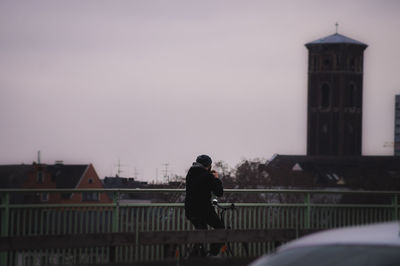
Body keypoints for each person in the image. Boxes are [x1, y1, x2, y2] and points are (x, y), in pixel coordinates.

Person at [184, 154, 224, 256]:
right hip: (204, 210)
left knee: (201, 231)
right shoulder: (208, 176)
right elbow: (219, 192)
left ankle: (197, 256)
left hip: (190, 210)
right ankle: (212, 254)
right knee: (220, 228)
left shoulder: (190, 173)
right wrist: (215, 178)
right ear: (209, 166)